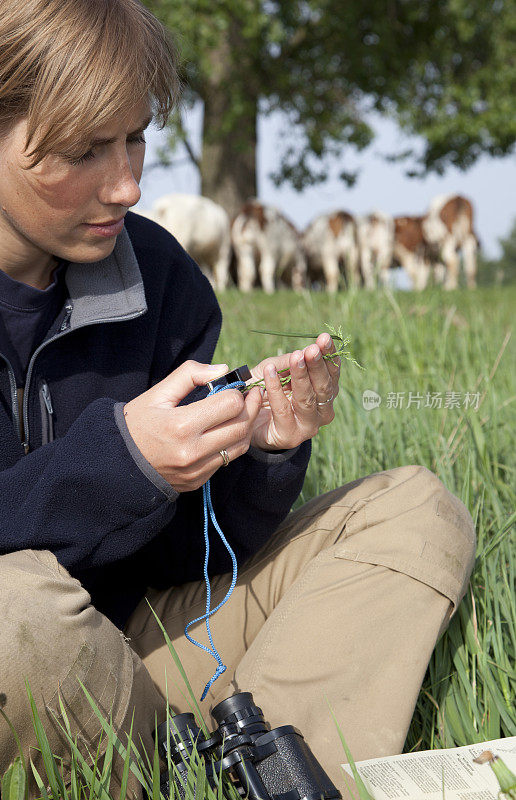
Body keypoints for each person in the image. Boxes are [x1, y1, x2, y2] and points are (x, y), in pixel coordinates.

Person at [0, 0, 477, 795]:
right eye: (85, 149)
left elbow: (185, 555)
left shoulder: (159, 275)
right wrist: (121, 463)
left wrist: (257, 456)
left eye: (135, 137)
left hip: (149, 641)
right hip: (27, 661)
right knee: (16, 611)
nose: (127, 183)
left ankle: (277, 774)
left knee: (414, 506)